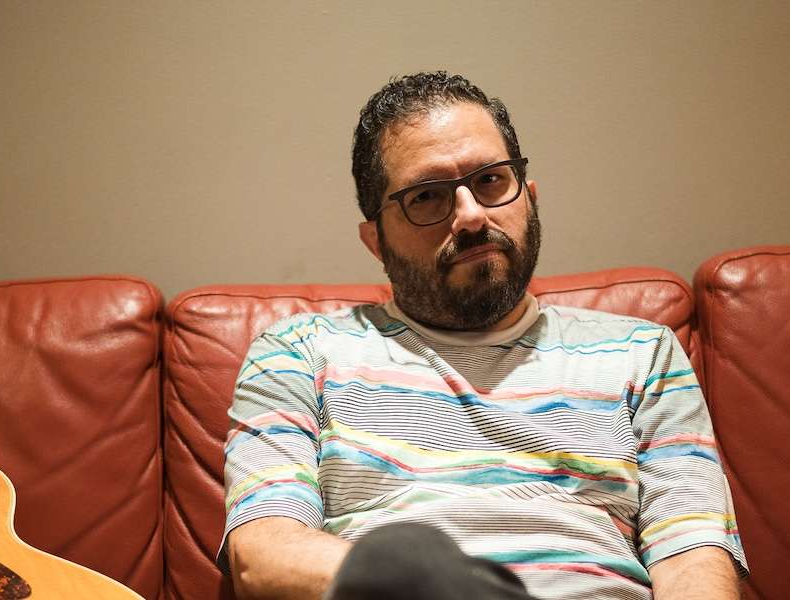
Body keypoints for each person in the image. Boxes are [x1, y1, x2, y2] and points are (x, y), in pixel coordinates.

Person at [220, 71, 747, 600]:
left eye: (491, 180)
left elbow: (693, 556)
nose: (471, 216)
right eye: (427, 196)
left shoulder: (643, 354)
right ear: (375, 240)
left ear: (529, 198)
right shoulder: (298, 352)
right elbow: (264, 556)